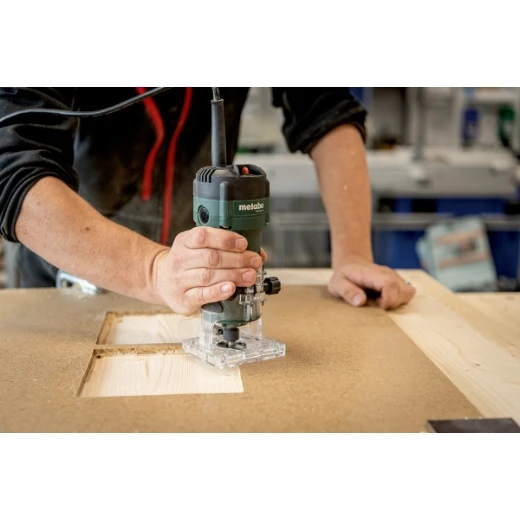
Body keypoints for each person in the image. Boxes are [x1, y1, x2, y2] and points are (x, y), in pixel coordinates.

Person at [0, 87, 415, 314]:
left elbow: (326, 109)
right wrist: (152, 270)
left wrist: (353, 254)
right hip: (69, 281)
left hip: (198, 288)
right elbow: (13, 166)